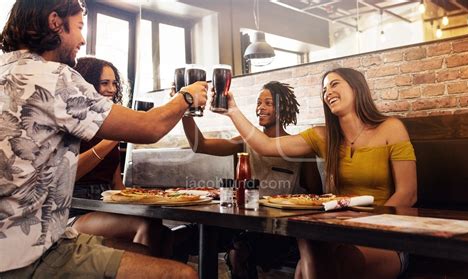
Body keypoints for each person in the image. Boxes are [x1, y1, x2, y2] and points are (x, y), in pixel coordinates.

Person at [0, 1, 206, 278]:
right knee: (183, 274)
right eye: (80, 27)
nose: (83, 40)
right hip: (26, 253)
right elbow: (150, 127)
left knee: (145, 253)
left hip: (30, 239)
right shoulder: (54, 76)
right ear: (54, 22)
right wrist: (187, 96)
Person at [221, 68, 417, 279]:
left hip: (385, 237)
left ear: (356, 87)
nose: (328, 92)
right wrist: (232, 110)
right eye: (324, 89)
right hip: (337, 232)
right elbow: (265, 145)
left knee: (312, 267)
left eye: (334, 84)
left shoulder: (391, 128)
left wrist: (364, 227)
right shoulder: (322, 136)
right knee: (308, 238)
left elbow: (408, 194)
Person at [182, 81, 322, 278]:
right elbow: (200, 145)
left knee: (240, 252)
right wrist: (184, 110)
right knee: (180, 238)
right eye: (258, 103)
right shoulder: (245, 141)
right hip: (240, 222)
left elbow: (317, 195)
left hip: (277, 230)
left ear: (283, 108)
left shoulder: (300, 149)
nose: (260, 108)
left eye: (268, 103)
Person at [70, 56, 170, 258]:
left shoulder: (109, 126)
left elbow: (116, 183)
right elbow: (70, 172)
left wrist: (144, 199)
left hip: (105, 202)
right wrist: (115, 138)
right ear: (87, 84)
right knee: (144, 225)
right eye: (104, 83)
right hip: (74, 209)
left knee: (162, 231)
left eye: (114, 83)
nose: (112, 89)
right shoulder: (73, 123)